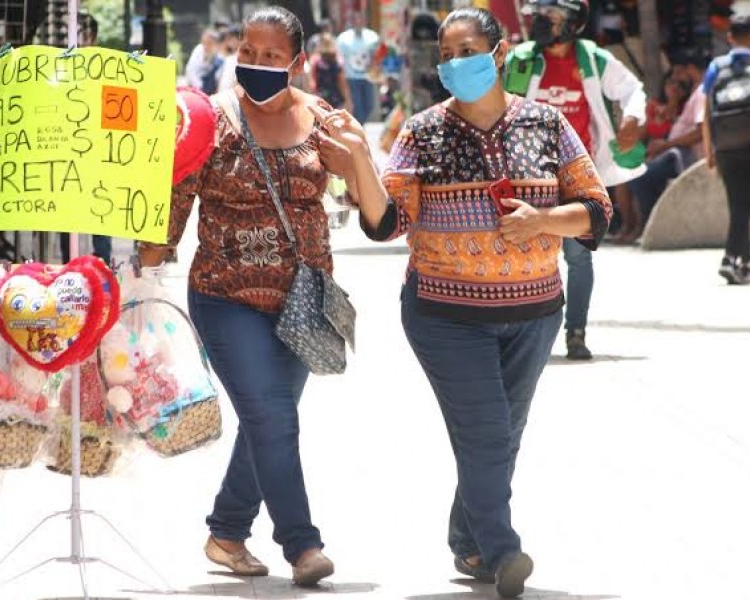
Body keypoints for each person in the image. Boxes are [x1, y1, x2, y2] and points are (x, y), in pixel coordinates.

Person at [312, 8, 611, 597]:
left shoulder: (547, 126)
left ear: (499, 54)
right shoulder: (422, 131)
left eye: (468, 50)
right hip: (444, 314)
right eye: (446, 56)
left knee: (502, 435)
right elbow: (388, 220)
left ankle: (467, 540)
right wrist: (359, 163)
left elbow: (598, 212)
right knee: (487, 435)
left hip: (535, 312)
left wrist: (545, 219)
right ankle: (503, 552)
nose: (455, 64)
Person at [138, 6, 357, 586]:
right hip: (225, 295)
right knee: (273, 417)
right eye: (248, 53)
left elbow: (363, 196)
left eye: (270, 56)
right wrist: (145, 263)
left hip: (303, 302)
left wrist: (357, 160)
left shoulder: (324, 119)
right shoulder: (212, 120)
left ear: (297, 63)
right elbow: (176, 194)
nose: (257, 64)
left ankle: (228, 531)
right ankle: (302, 545)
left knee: (269, 422)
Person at [503, 0, 646, 360]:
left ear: (572, 22)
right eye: (538, 15)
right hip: (529, 179)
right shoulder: (520, 59)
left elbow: (633, 90)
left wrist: (633, 118)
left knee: (579, 259)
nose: (540, 22)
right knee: (525, 256)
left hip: (579, 179)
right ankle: (524, 333)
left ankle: (576, 332)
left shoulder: (592, 59)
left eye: (549, 17)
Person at [703, 14, 750, 285]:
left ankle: (741, 260)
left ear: (729, 37)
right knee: (746, 200)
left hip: (725, 146)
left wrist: (709, 150)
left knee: (738, 202)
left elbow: (706, 112)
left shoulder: (716, 67)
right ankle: (731, 257)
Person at [628, 50, 708, 226]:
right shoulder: (696, 92)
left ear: (691, 69)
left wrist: (665, 145)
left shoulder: (702, 92)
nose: (677, 78)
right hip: (674, 152)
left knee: (638, 178)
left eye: (680, 72)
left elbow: (701, 132)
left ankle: (651, 225)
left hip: (684, 156)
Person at [60, 13, 112, 265]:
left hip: (97, 156)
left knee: (100, 215)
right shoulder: (61, 67)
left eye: (80, 32)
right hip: (67, 156)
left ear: (92, 37)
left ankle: (102, 266)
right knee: (66, 218)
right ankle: (66, 265)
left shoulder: (106, 68)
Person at [336, 12, 380, 124]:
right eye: (356, 21)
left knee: (370, 105)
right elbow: (339, 57)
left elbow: (378, 55)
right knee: (358, 106)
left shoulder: (372, 37)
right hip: (351, 77)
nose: (358, 23)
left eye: (361, 20)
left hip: (368, 76)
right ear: (352, 22)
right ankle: (359, 127)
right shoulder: (344, 38)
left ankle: (359, 125)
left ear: (365, 21)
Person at [310, 34, 352, 112]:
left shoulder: (338, 59)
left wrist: (347, 100)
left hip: (334, 96)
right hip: (322, 95)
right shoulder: (316, 59)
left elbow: (342, 82)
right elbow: (312, 80)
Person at [185, 29, 223, 94]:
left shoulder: (218, 56)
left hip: (210, 85)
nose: (206, 45)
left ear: (215, 43)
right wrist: (200, 88)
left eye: (209, 43)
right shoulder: (198, 49)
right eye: (204, 42)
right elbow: (190, 71)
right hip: (196, 85)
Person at [217, 25, 244, 93]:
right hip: (222, 97)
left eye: (231, 38)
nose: (228, 41)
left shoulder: (242, 59)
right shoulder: (229, 59)